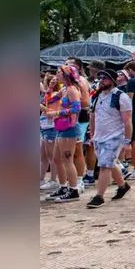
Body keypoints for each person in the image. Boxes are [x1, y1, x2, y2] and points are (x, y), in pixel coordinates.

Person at [86, 69, 133, 208]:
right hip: (99, 137)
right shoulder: (97, 96)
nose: (101, 80)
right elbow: (93, 116)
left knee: (104, 165)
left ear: (112, 80)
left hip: (114, 137)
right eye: (100, 78)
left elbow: (127, 121)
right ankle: (123, 186)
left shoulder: (121, 97)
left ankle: (99, 196)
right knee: (110, 164)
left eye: (105, 78)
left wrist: (127, 141)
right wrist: (92, 135)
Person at [44, 64, 84, 203]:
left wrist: (56, 113)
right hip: (61, 128)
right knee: (57, 159)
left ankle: (73, 190)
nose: (57, 74)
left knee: (67, 160)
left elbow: (76, 109)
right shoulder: (64, 89)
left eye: (59, 72)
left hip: (69, 128)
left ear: (66, 75)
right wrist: (50, 88)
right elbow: (49, 101)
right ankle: (63, 187)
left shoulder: (72, 90)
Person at [65, 57, 93, 189]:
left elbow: (86, 103)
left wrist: (71, 105)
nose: (66, 66)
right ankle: (72, 179)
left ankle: (80, 179)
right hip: (70, 118)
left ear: (78, 67)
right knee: (69, 150)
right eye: (66, 64)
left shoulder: (80, 81)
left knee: (77, 150)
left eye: (70, 64)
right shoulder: (68, 83)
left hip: (80, 117)